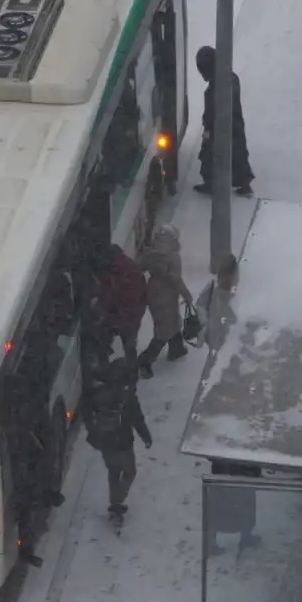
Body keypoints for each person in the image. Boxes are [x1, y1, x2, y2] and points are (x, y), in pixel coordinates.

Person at [79, 357, 153, 521]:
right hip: (123, 441)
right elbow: (137, 419)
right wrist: (146, 438)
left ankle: (115, 501)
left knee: (113, 470)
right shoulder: (127, 396)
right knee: (129, 472)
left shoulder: (97, 392)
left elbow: (86, 413)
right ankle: (117, 502)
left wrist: (94, 432)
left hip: (104, 442)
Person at [194, 45, 255, 197]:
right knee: (237, 152)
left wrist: (209, 124)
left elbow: (214, 108)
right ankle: (243, 182)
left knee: (209, 153)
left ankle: (211, 183)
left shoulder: (221, 83)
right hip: (233, 124)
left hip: (220, 125)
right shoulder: (229, 78)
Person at [137, 223, 194, 378]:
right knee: (164, 329)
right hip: (168, 295)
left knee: (169, 322)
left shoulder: (150, 254)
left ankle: (177, 349)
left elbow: (139, 268)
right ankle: (145, 360)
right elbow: (176, 279)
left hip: (153, 294)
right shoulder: (173, 256)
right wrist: (187, 295)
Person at [93, 243, 148, 379]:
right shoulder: (131, 267)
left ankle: (104, 369)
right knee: (129, 346)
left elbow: (110, 296)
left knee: (102, 338)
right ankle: (132, 374)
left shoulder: (115, 273)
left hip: (121, 316)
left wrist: (100, 308)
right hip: (133, 316)